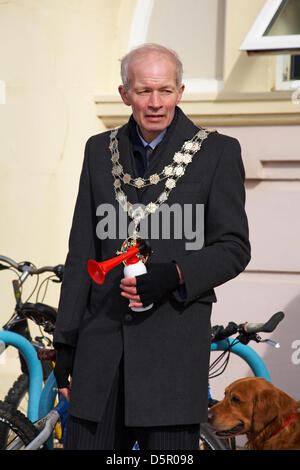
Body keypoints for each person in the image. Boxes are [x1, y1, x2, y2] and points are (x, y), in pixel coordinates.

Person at [53, 43, 251, 450]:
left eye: (165, 90)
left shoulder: (217, 152)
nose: (155, 103)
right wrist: (66, 341)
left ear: (180, 92)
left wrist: (174, 274)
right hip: (100, 356)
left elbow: (234, 246)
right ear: (125, 94)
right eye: (144, 91)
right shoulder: (97, 150)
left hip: (171, 361)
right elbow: (80, 254)